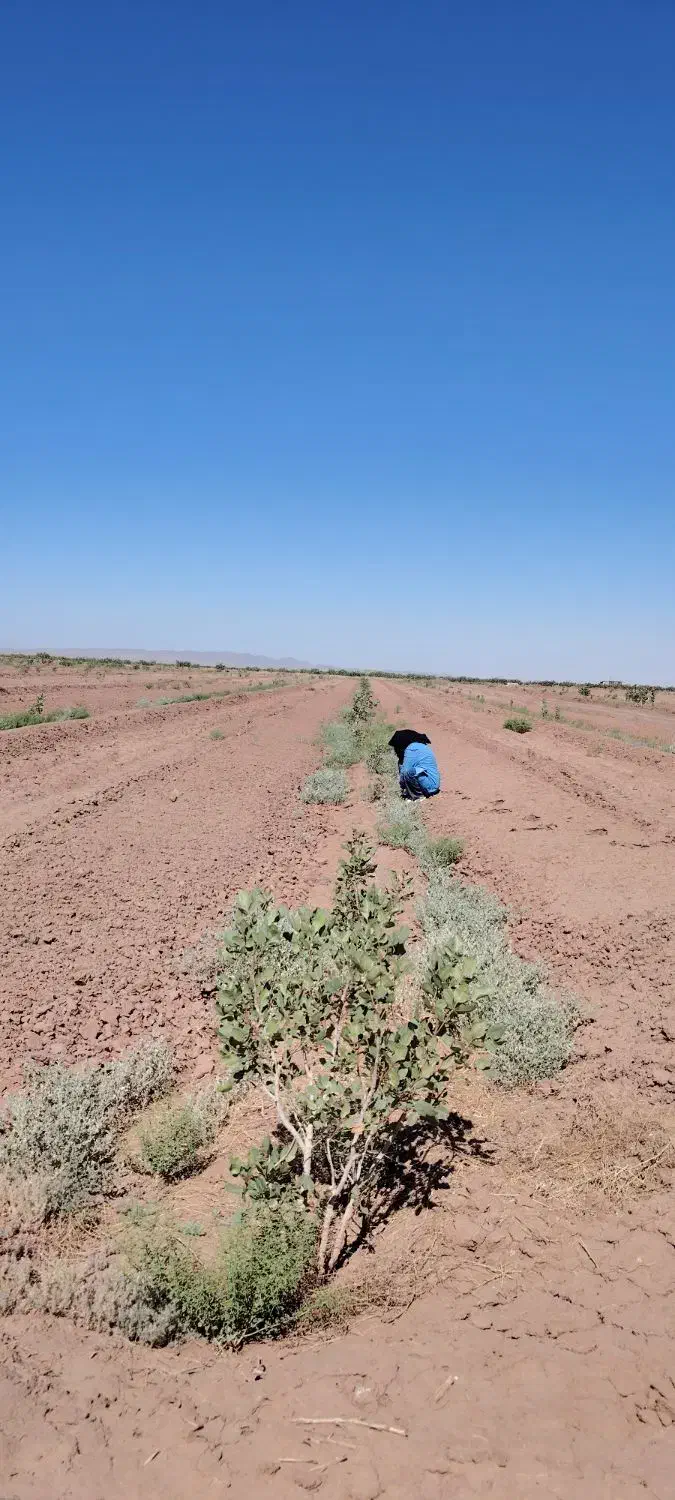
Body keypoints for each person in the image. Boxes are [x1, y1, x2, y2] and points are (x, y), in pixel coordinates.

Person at [388, 728, 441, 800]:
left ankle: (419, 796)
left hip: (430, 786)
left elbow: (405, 771)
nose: (395, 750)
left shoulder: (411, 748)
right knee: (407, 768)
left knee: (410, 772)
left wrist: (402, 786)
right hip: (432, 783)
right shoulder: (419, 746)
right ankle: (414, 793)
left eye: (396, 747)